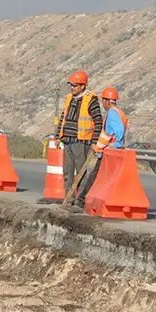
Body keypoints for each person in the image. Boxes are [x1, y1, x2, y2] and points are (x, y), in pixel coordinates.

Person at [56, 70, 104, 209]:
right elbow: (63, 118)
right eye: (71, 85)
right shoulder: (69, 98)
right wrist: (59, 136)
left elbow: (98, 122)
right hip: (68, 140)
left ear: (82, 86)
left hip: (81, 142)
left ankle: (79, 201)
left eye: (74, 85)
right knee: (68, 172)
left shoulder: (91, 100)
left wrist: (95, 141)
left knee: (81, 172)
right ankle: (68, 198)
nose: (72, 87)